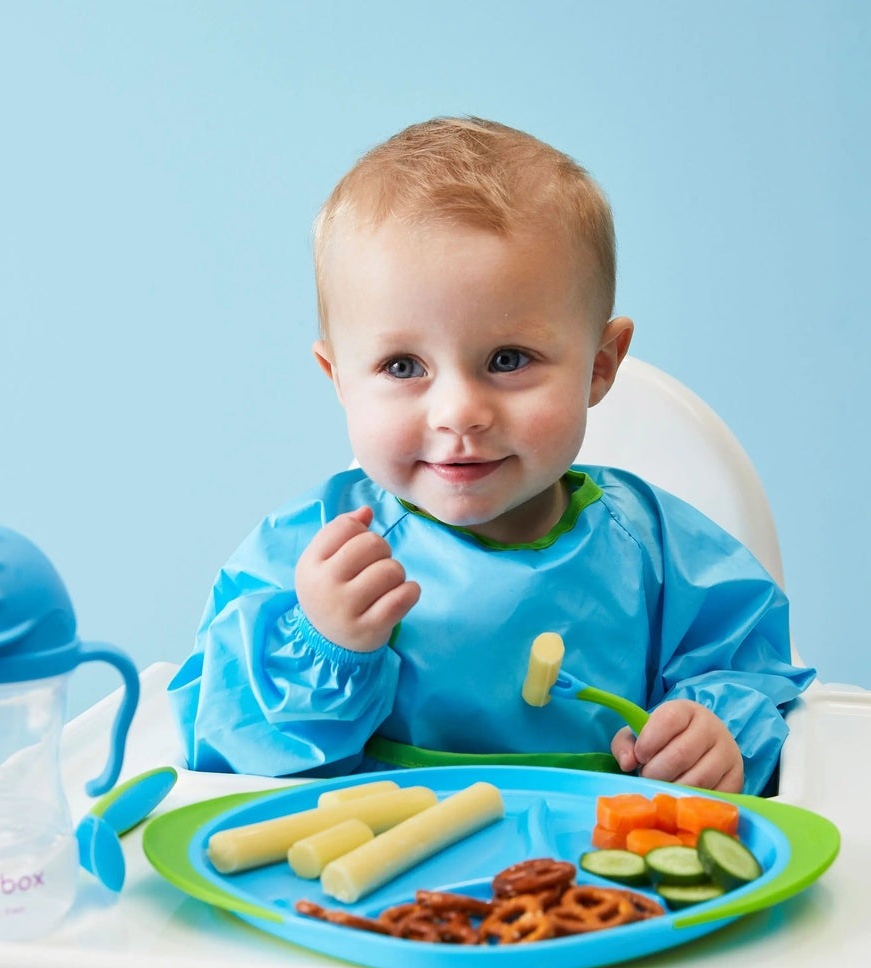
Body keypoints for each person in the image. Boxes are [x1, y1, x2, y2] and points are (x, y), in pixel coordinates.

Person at [168, 116, 814, 796]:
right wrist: (321, 646)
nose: (458, 412)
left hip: (605, 854)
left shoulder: (657, 551)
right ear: (339, 379)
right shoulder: (312, 556)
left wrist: (713, 734)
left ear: (600, 366)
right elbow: (217, 746)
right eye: (402, 366)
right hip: (373, 853)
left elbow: (751, 676)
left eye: (508, 359)